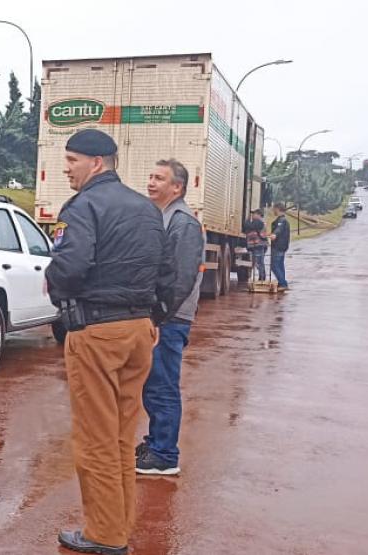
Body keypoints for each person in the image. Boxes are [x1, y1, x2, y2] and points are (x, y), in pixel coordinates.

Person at [47, 129, 166, 555]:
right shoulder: (147, 209)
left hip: (96, 333)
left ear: (97, 163)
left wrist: (53, 285)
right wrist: (156, 317)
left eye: (72, 160)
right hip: (138, 333)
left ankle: (104, 535)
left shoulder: (82, 207)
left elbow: (71, 265)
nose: (66, 168)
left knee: (95, 437)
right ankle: (118, 524)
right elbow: (168, 271)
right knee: (120, 436)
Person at [136, 159, 205, 476]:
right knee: (153, 385)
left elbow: (180, 278)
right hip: (162, 316)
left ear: (176, 187)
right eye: (150, 177)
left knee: (163, 386)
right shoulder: (164, 217)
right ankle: (155, 442)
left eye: (159, 179)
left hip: (170, 319)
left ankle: (165, 454)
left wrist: (158, 318)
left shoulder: (183, 222)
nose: (151, 183)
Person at [269, 203, 290, 291]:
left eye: (274, 209)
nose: (273, 211)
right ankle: (282, 283)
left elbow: (279, 229)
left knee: (274, 266)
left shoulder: (282, 220)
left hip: (278, 246)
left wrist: (274, 234)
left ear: (278, 209)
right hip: (281, 246)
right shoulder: (283, 220)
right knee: (280, 265)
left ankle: (283, 283)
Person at [243, 209, 268, 281]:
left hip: (258, 245)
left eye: (254, 214)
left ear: (259, 215)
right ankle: (262, 277)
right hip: (257, 245)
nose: (253, 215)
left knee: (259, 262)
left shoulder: (259, 222)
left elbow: (248, 226)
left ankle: (262, 277)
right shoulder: (258, 222)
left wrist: (247, 221)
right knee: (258, 262)